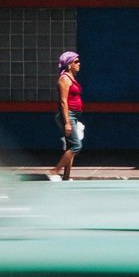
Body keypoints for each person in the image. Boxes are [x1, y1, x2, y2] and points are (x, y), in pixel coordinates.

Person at [49, 51, 83, 181]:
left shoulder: (71, 78)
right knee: (77, 145)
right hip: (67, 115)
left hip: (73, 115)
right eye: (76, 62)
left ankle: (66, 176)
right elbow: (63, 101)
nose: (79, 64)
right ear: (69, 65)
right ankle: (54, 171)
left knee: (70, 146)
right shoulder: (64, 79)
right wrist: (67, 122)